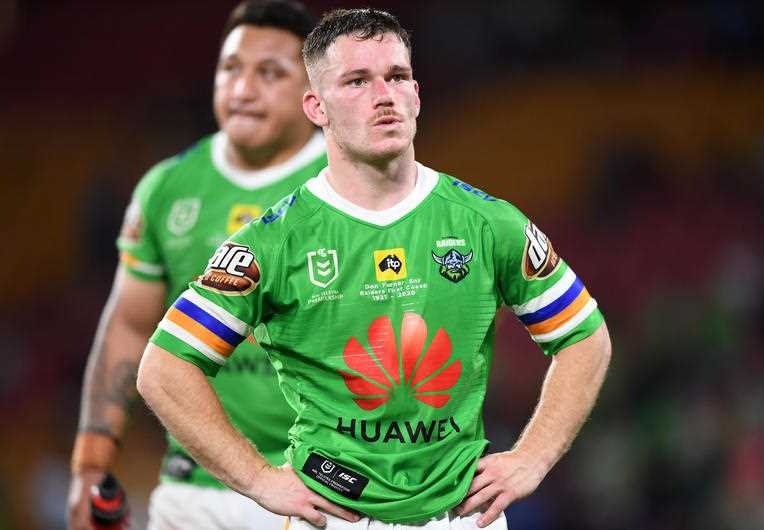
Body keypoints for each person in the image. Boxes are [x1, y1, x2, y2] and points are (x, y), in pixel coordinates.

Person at [137, 7, 612, 530]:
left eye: (397, 77)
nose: (384, 95)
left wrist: (533, 458)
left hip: (462, 515)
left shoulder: (487, 223)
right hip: (334, 515)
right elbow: (164, 368)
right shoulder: (272, 243)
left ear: (417, 94)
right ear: (315, 107)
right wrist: (258, 480)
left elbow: (584, 338)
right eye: (357, 81)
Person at [66, 2, 324, 529]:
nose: (242, 88)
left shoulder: (356, 183)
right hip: (196, 489)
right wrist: (91, 464)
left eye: (270, 72)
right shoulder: (168, 187)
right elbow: (130, 327)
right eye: (231, 68)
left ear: (313, 95)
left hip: (323, 490)